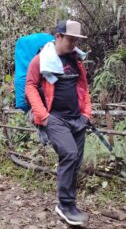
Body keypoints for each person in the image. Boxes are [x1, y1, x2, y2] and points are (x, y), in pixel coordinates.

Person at [25, 20, 92, 226]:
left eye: (76, 40)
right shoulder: (41, 60)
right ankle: (64, 204)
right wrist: (43, 116)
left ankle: (70, 204)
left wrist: (87, 114)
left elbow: (84, 89)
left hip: (77, 119)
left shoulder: (76, 60)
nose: (73, 43)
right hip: (55, 118)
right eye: (70, 39)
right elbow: (30, 86)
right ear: (58, 36)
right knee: (69, 154)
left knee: (76, 161)